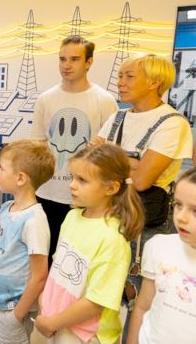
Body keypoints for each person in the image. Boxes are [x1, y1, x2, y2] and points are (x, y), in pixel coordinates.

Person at [95, 55, 193, 319]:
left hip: (146, 227)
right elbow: (90, 162)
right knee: (103, 293)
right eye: (120, 76)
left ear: (154, 82)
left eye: (129, 76)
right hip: (110, 216)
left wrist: (109, 156)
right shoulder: (117, 117)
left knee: (137, 302)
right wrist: (132, 162)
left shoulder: (173, 123)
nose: (120, 82)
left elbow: (142, 180)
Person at [35, 144, 144, 343]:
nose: (72, 185)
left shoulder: (112, 239)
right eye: (72, 177)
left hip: (87, 335)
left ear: (111, 188)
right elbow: (59, 269)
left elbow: (96, 302)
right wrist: (46, 300)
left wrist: (52, 323)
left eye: (82, 180)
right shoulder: (72, 217)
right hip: (59, 321)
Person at [32, 36, 117, 264]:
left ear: (89, 62)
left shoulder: (105, 101)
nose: (66, 65)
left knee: (76, 262)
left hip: (86, 198)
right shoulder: (46, 99)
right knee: (44, 256)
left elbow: (111, 153)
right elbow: (38, 145)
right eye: (62, 59)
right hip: (47, 193)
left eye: (74, 59)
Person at [0, 139, 55, 344]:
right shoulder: (5, 207)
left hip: (10, 309)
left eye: (1, 168)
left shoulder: (34, 221)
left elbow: (39, 276)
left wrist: (17, 315)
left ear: (20, 178)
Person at [126, 168, 196, 343]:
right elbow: (142, 307)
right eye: (178, 205)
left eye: (195, 211)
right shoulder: (159, 246)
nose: (181, 217)